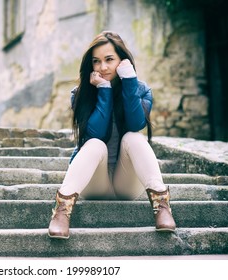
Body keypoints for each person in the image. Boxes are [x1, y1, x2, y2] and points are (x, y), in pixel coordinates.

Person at [48, 31, 176, 239]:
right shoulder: (80, 94)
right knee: (96, 144)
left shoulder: (141, 90)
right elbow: (95, 132)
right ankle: (62, 211)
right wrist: (104, 90)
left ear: (122, 60)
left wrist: (129, 81)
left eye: (109, 59)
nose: (103, 67)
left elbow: (136, 123)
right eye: (96, 61)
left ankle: (162, 205)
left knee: (133, 137)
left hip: (126, 184)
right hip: (93, 183)